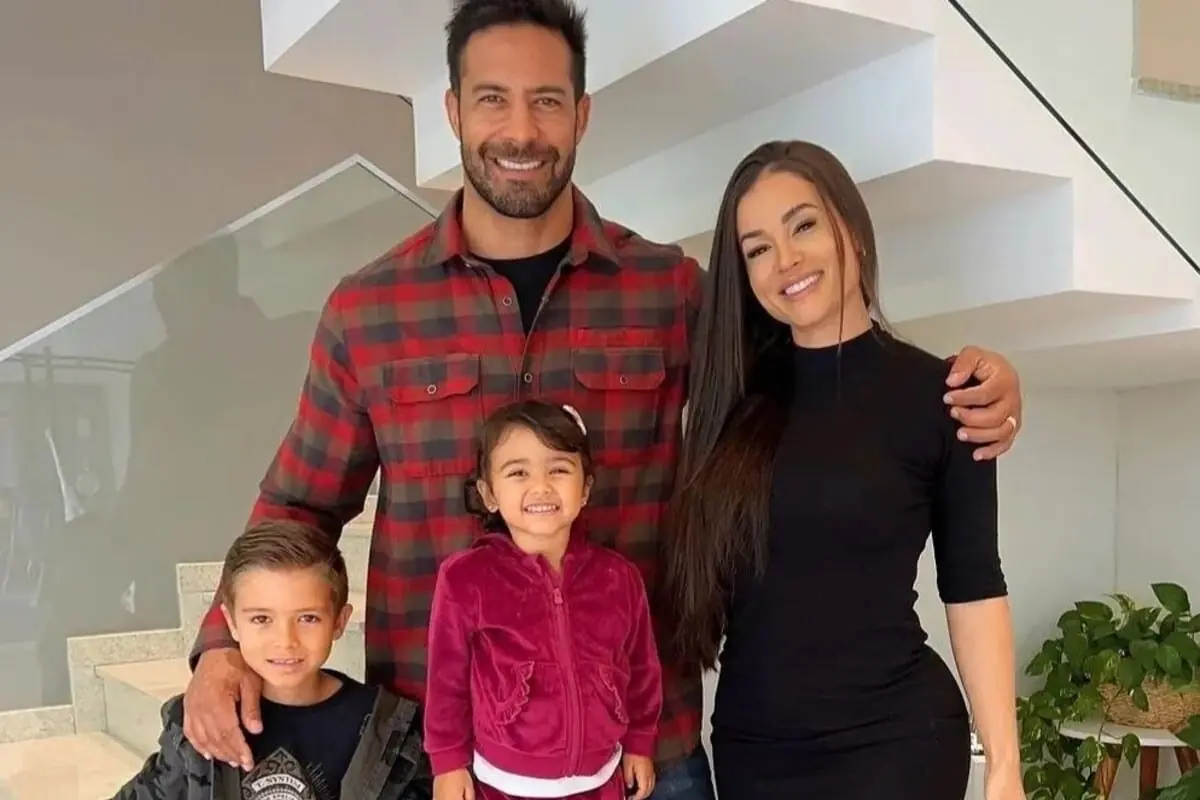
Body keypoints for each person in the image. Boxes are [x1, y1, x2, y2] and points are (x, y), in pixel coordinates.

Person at [182, 1, 1026, 796]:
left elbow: (825, 366)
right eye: (493, 99)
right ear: (453, 112)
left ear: (581, 116)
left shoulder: (670, 291)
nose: (521, 130)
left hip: (642, 754)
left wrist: (975, 384)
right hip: (445, 762)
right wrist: (222, 643)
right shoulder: (370, 310)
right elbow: (299, 505)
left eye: (547, 101)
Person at [658, 140, 1022, 800]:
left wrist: (1004, 766)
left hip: (896, 744)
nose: (786, 260)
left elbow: (974, 585)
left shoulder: (943, 396)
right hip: (754, 751)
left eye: (803, 226)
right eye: (758, 249)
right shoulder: (727, 405)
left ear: (850, 227)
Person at [425, 400, 661, 800]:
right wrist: (447, 763)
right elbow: (446, 680)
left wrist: (640, 742)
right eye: (518, 472)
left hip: (600, 783)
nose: (541, 486)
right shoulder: (465, 578)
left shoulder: (619, 578)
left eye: (559, 469)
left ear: (585, 489)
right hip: (500, 786)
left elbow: (642, 667)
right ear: (488, 493)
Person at [113, 519, 431, 799]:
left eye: (308, 618)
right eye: (262, 619)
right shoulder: (206, 723)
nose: (285, 641)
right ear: (231, 623)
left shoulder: (388, 728)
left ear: (339, 621)